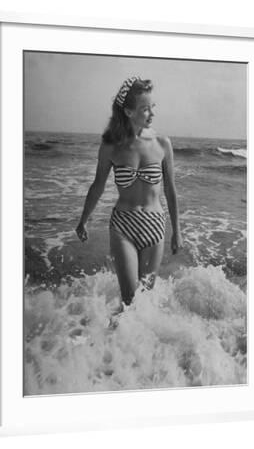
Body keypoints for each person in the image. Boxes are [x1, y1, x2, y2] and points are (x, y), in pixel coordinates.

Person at [75, 76, 182, 312]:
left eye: (153, 107)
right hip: (124, 226)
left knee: (143, 302)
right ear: (129, 111)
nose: (152, 114)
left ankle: (133, 346)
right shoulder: (111, 145)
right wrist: (83, 220)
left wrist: (177, 231)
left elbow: (170, 190)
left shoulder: (162, 144)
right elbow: (98, 185)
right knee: (130, 300)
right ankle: (109, 343)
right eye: (145, 109)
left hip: (155, 225)